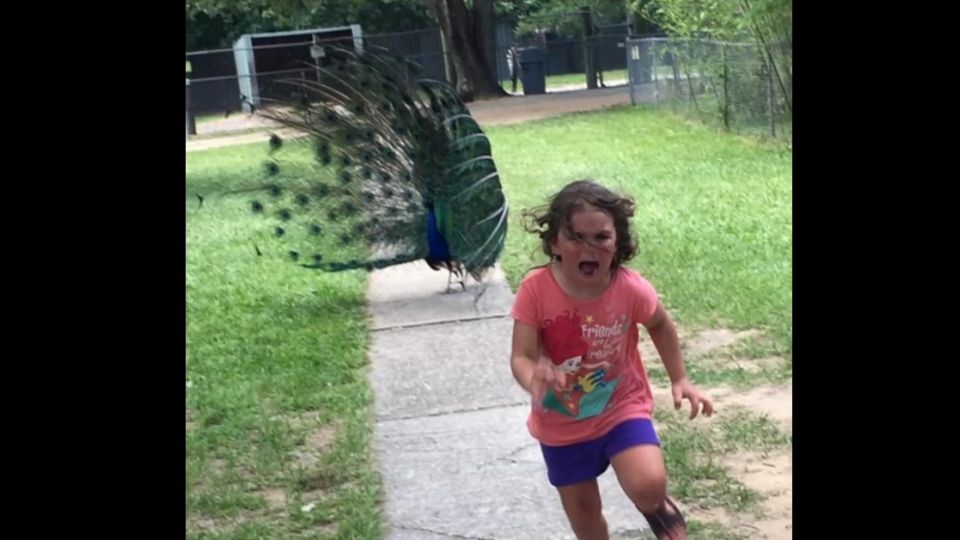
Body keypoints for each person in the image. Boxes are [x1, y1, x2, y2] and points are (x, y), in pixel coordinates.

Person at [509, 179, 714, 540]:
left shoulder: (630, 288)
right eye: (575, 237)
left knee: (648, 485)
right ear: (554, 242)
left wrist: (680, 378)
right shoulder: (535, 290)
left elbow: (660, 324)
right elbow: (521, 356)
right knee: (586, 517)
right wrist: (534, 378)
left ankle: (656, 507)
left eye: (601, 237)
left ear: (618, 242)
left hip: (621, 407)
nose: (589, 247)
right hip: (561, 422)